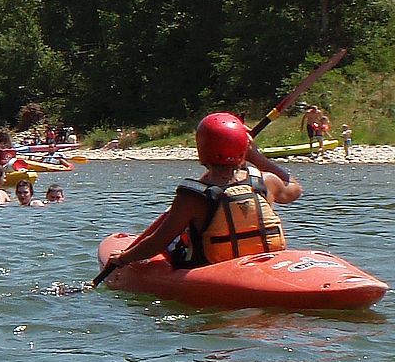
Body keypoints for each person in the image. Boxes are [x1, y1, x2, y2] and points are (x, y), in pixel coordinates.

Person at [100, 112, 302, 277]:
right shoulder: (266, 181)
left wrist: (123, 258)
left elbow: (157, 242)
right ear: (244, 148)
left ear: (201, 149)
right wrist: (257, 157)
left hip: (213, 269)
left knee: (174, 244)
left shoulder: (193, 195)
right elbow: (294, 188)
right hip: (265, 264)